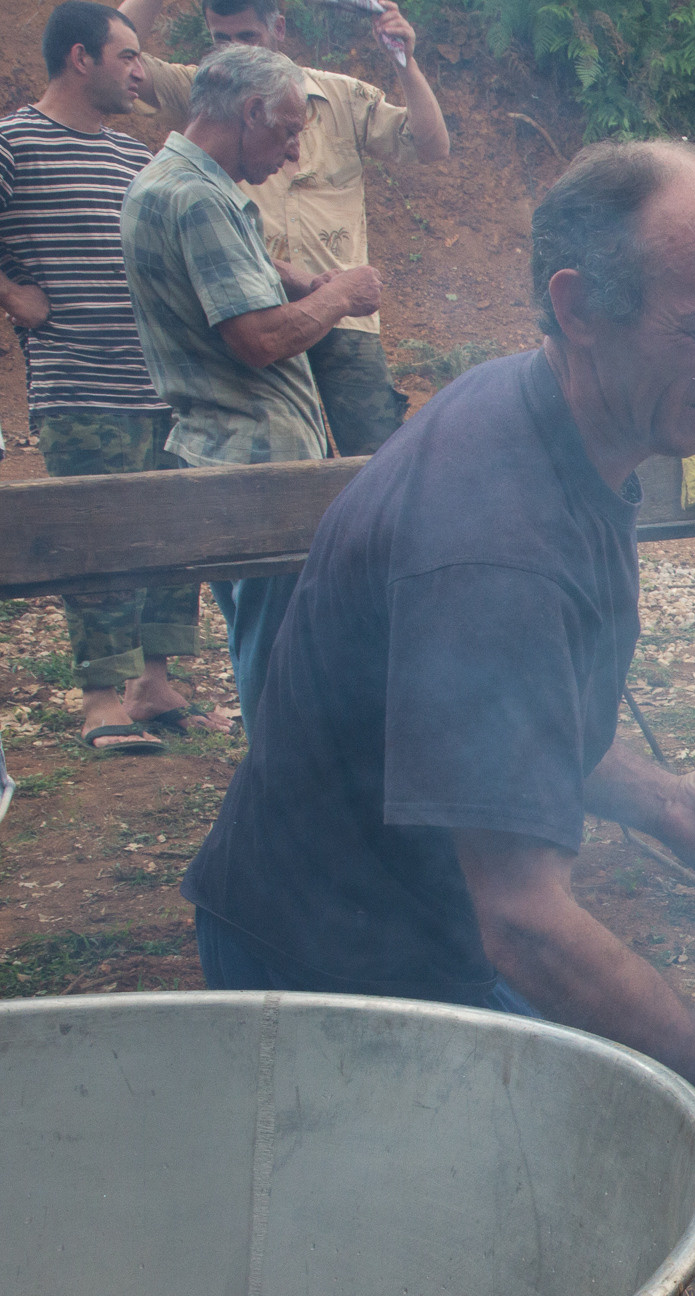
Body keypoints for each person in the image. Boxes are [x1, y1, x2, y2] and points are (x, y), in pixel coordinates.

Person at [180, 138, 695, 1200]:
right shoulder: (497, 541)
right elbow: (527, 921)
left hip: (408, 926)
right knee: (460, 1259)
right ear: (579, 304)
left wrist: (676, 808)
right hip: (334, 969)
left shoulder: (552, 419)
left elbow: (518, 714)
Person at [119, 42, 382, 735]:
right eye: (290, 130)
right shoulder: (201, 200)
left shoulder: (169, 184)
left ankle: (282, 787)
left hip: (225, 450)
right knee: (280, 658)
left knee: (268, 644)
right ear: (251, 112)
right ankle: (282, 801)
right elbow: (259, 341)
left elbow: (233, 283)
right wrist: (343, 294)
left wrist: (293, 278)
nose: (294, 153)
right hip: (257, 460)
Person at [0, 0, 226, 755]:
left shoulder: (138, 159)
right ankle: (101, 700)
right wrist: (11, 291)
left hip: (161, 383)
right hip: (76, 383)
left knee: (171, 534)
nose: (141, 71)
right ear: (79, 58)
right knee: (93, 536)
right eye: (127, 56)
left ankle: (153, 684)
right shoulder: (14, 142)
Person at [119, 0, 447, 454]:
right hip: (262, 315)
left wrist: (404, 61)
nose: (229, 53)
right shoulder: (210, 99)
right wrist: (339, 292)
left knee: (373, 457)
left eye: (246, 38)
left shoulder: (337, 95)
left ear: (278, 28)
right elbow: (120, 57)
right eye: (221, 39)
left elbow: (431, 145)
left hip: (335, 316)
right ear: (247, 112)